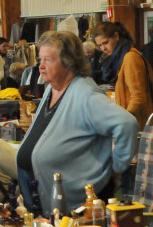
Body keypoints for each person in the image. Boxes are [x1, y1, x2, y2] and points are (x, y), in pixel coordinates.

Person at [15, 31, 138, 213]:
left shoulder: (85, 94)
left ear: (68, 62)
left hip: (75, 205)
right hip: (43, 200)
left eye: (48, 60)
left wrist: (117, 167)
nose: (41, 66)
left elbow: (126, 123)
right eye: (41, 59)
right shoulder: (52, 89)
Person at [93, 22, 153, 129]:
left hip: (137, 124)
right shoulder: (121, 58)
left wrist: (124, 120)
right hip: (133, 121)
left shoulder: (130, 58)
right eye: (99, 45)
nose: (103, 48)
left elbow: (138, 96)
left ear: (116, 36)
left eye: (105, 43)